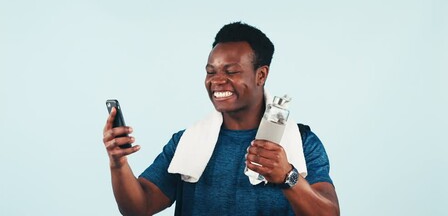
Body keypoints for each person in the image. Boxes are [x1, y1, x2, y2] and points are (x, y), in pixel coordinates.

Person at [103, 22, 340, 215]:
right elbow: (139, 207)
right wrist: (118, 163)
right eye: (210, 72)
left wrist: (288, 176)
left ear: (261, 75)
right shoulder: (186, 142)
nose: (216, 81)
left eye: (231, 71)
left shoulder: (302, 141)